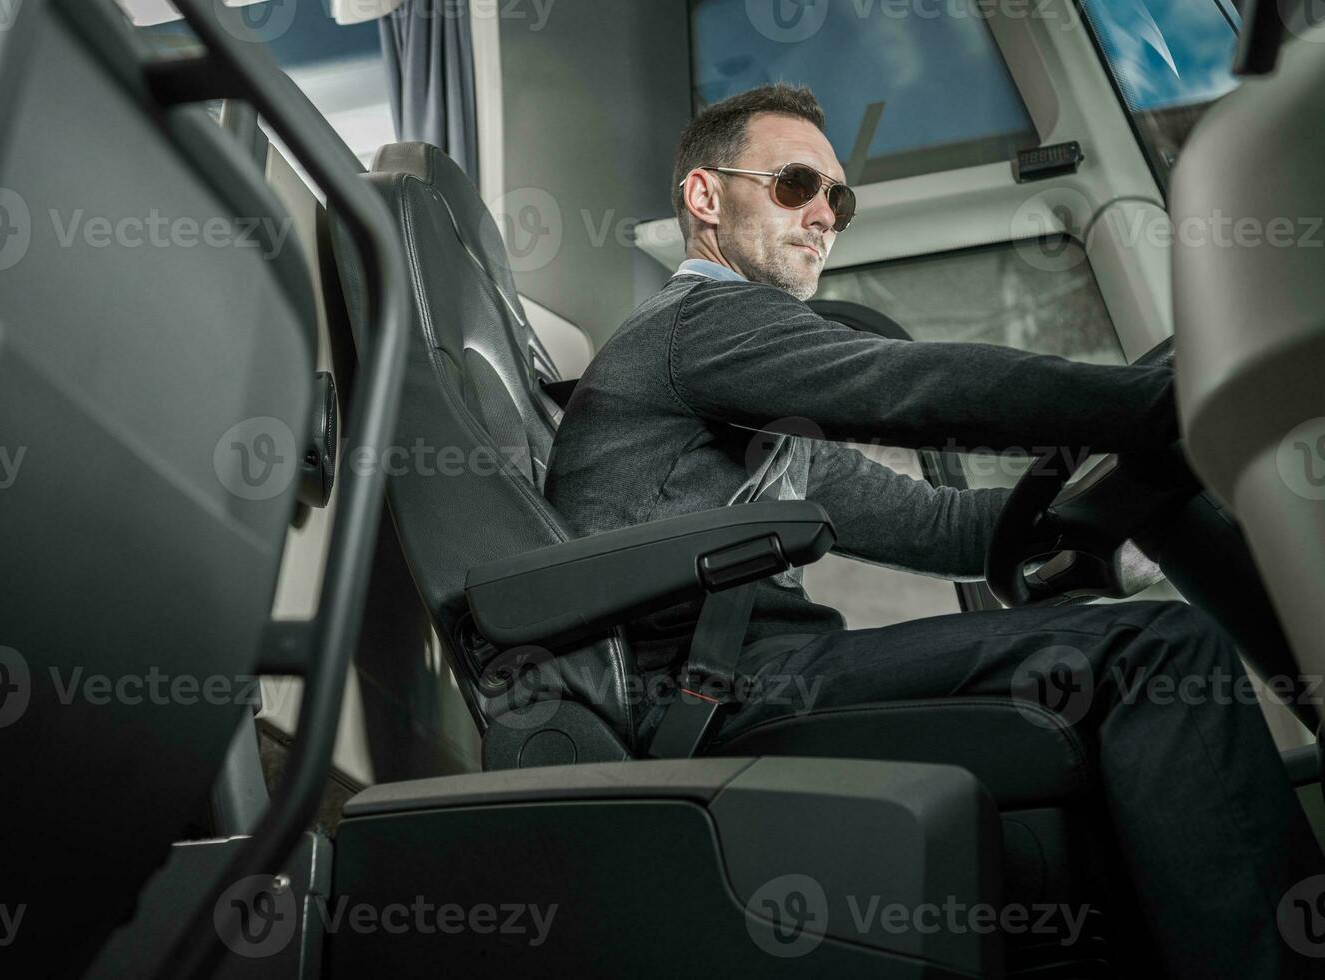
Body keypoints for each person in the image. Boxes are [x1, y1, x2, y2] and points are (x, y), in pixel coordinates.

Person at [543, 83, 1324, 978]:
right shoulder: (700, 324)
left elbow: (940, 525)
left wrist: (1099, 515)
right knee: (1155, 651)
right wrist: (1147, 403)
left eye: (841, 198)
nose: (825, 215)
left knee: (1134, 639)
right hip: (715, 692)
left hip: (756, 678)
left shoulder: (758, 406)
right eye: (797, 184)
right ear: (706, 198)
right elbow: (912, 385)